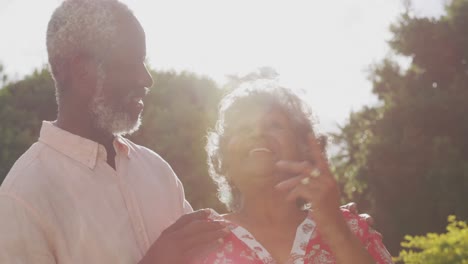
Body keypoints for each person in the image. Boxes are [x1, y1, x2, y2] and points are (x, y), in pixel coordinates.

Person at [0, 1, 229, 263]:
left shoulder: (157, 170)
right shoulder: (22, 197)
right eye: (132, 62)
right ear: (81, 70)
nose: (146, 79)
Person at [196, 82, 394, 263]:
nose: (257, 133)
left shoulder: (352, 228)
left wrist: (337, 229)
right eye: (243, 128)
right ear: (224, 160)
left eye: (274, 125)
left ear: (305, 150)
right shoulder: (197, 239)